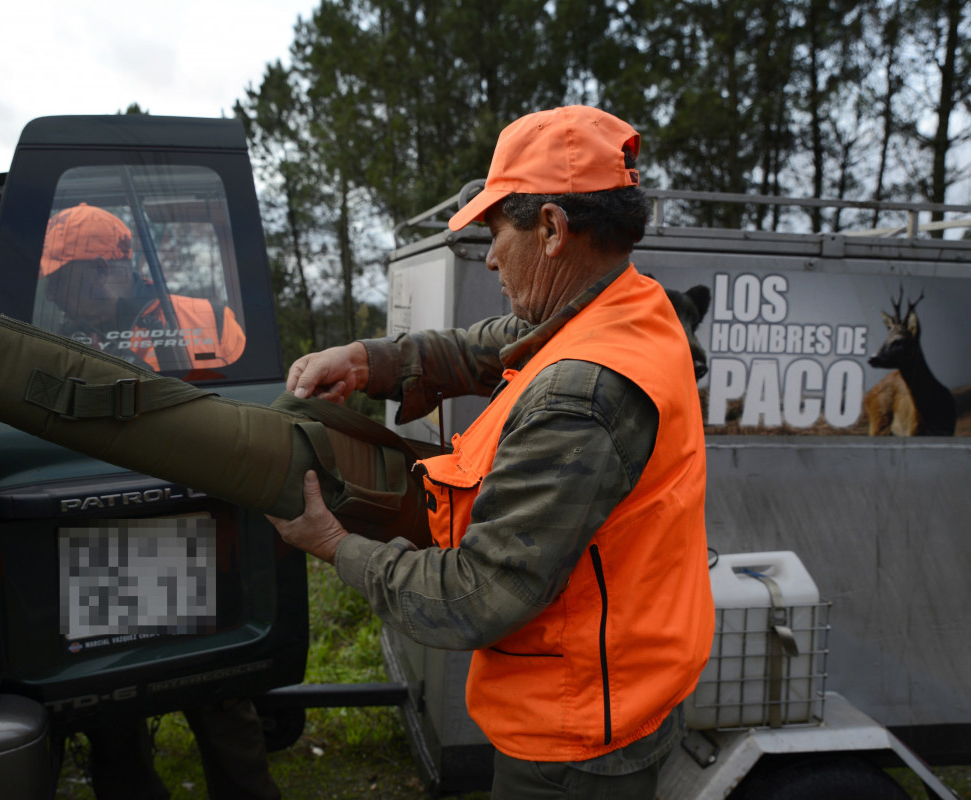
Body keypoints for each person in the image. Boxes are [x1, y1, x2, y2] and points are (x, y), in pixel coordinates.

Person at [267, 105, 715, 799]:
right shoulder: (630, 307)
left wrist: (335, 546)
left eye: (494, 230)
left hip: (572, 747)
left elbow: (477, 595)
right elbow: (484, 347)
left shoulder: (581, 394)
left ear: (553, 229)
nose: (490, 255)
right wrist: (366, 360)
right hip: (622, 690)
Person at [41, 204, 277, 799]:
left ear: (108, 271)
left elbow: (256, 417)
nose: (61, 299)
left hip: (204, 539)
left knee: (220, 700)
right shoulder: (60, 344)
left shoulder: (203, 320)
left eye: (65, 281)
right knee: (114, 717)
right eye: (53, 286)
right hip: (108, 546)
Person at [39, 202, 246, 372]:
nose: (50, 295)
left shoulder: (213, 320)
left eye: (58, 280)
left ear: (101, 270)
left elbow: (249, 403)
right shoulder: (57, 343)